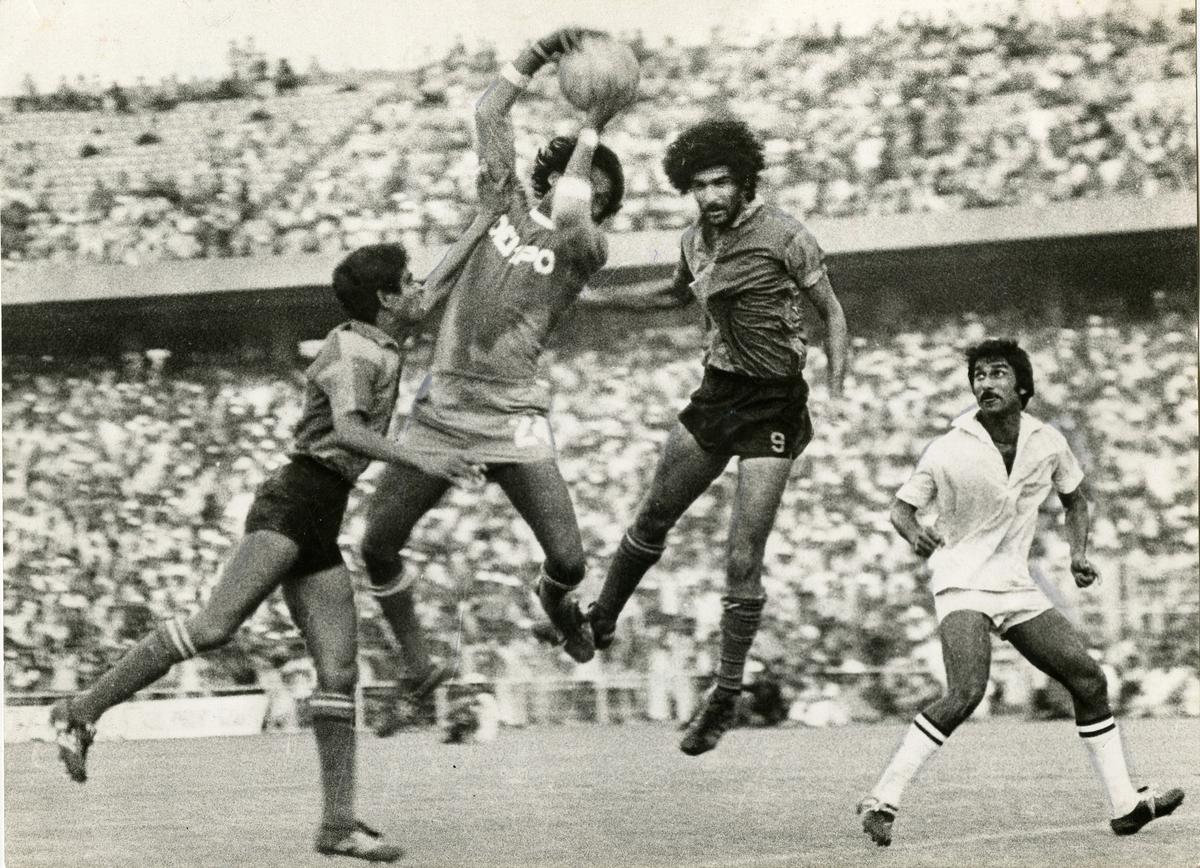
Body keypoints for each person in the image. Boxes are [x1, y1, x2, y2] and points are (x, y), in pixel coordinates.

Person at [49, 242, 481, 863]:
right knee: (215, 625)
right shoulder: (352, 348)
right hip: (294, 500)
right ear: (386, 299)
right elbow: (349, 431)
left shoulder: (382, 336)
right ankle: (79, 710)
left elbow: (434, 289)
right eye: (406, 282)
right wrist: (426, 457)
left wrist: (484, 217)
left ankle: (336, 825)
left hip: (320, 514)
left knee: (339, 672)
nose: (419, 289)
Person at [358, 27, 631, 676]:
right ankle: (419, 667)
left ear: (604, 208)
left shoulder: (585, 249)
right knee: (377, 546)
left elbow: (569, 210)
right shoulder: (504, 200)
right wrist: (537, 55)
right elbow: (487, 112)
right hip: (446, 407)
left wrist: (592, 127)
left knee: (569, 562)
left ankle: (553, 600)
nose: (580, 187)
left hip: (512, 414)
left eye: (594, 189)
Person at [585, 118, 848, 756]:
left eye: (721, 181)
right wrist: (600, 300)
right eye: (699, 185)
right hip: (718, 393)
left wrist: (837, 394)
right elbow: (675, 296)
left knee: (741, 557)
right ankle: (601, 619)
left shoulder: (786, 235)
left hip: (775, 407)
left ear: (744, 178)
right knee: (652, 515)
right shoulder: (693, 240)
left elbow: (833, 314)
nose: (709, 195)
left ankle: (725, 693)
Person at [857, 338, 1185, 846]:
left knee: (1090, 680)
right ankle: (881, 799)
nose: (984, 384)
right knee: (966, 691)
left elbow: (1077, 501)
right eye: (979, 376)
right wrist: (911, 530)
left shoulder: (1048, 442)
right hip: (961, 579)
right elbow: (901, 508)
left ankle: (1125, 804)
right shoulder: (948, 447)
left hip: (1015, 584)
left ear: (1023, 388)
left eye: (997, 375)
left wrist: (1078, 553)